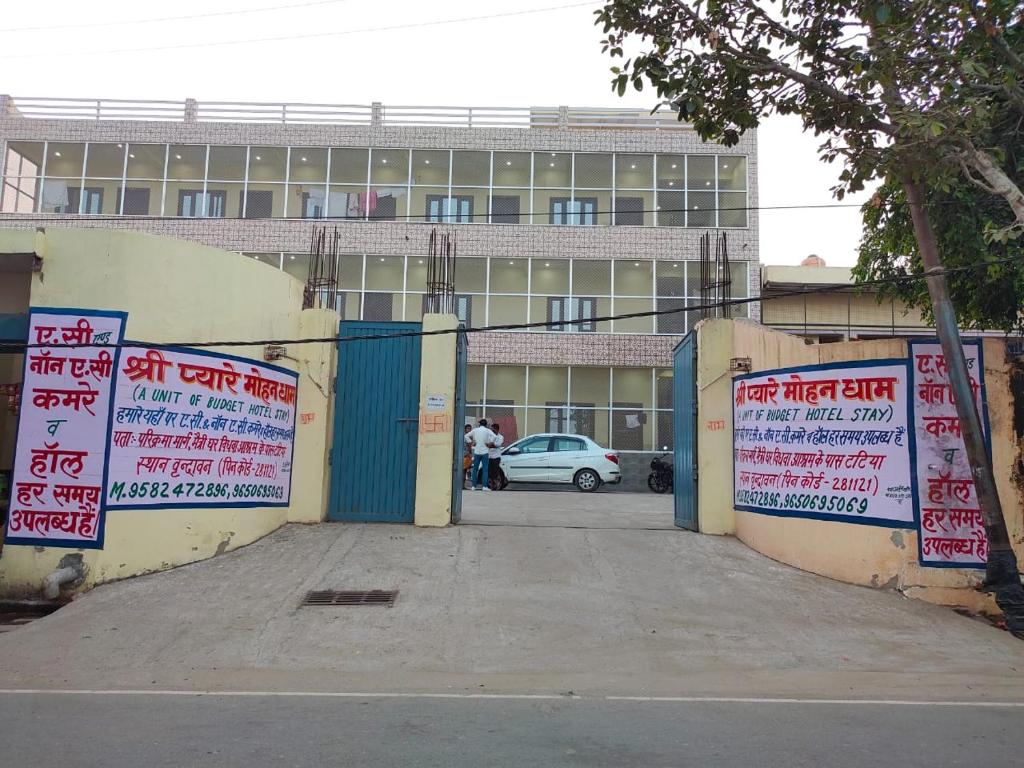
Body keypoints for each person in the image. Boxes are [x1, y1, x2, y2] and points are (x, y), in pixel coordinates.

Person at [467, 418, 496, 491]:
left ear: (479, 424)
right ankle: (484, 486)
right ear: (486, 424)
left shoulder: (475, 430)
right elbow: (494, 436)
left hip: (477, 452)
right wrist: (490, 443)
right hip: (485, 452)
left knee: (475, 469)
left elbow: (466, 436)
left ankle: (473, 486)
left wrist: (471, 442)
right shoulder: (487, 430)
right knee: (485, 470)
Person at [487, 423, 505, 489]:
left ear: (497, 429)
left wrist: (491, 445)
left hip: (496, 457)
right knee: (489, 472)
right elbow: (487, 444)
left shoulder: (501, 437)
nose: (491, 431)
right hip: (489, 456)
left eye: (493, 429)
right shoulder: (489, 436)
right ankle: (491, 485)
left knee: (495, 471)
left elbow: (497, 445)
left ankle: (496, 484)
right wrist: (491, 445)